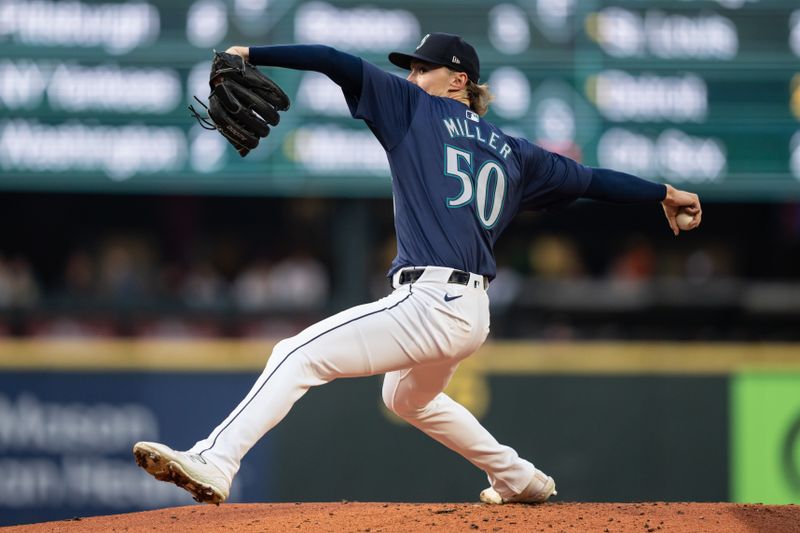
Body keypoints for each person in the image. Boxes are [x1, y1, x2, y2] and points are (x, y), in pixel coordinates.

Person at [134, 33, 701, 505]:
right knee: (406, 399)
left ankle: (215, 458)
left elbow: (334, 61)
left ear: (458, 80)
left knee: (296, 353)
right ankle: (518, 477)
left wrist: (250, 53)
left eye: (421, 68)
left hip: (431, 298)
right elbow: (595, 179)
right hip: (472, 311)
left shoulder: (417, 109)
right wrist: (664, 192)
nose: (409, 78)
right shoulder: (515, 151)